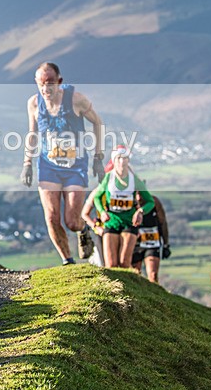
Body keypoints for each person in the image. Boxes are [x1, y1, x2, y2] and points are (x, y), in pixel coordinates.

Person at [21, 62, 105, 265]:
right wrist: (27, 163)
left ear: (59, 81)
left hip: (75, 166)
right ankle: (68, 260)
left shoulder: (76, 99)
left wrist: (98, 157)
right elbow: (32, 133)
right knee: (51, 216)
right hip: (48, 166)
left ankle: (82, 230)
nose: (45, 88)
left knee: (72, 221)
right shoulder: (33, 103)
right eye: (41, 83)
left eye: (49, 83)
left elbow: (98, 122)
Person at [90, 146, 154, 268]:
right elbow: (97, 197)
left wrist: (141, 211)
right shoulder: (108, 178)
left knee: (124, 262)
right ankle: (114, 287)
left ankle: (125, 286)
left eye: (124, 158)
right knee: (111, 264)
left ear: (128, 160)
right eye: (119, 158)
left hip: (129, 222)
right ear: (114, 160)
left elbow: (150, 201)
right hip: (111, 222)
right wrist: (102, 212)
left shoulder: (134, 180)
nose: (121, 161)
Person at [130, 194, 171, 283]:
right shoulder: (129, 201)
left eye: (141, 194)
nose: (139, 198)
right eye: (136, 194)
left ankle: (155, 295)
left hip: (152, 242)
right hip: (135, 243)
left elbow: (163, 223)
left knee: (153, 274)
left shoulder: (154, 202)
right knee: (135, 274)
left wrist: (166, 244)